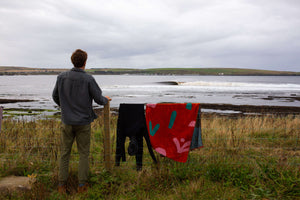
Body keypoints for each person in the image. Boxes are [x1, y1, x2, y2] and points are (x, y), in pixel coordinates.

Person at [52, 49, 111, 194]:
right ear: (85, 62)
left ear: (73, 61)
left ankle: (61, 186)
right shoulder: (88, 79)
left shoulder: (61, 77)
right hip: (83, 122)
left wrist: (65, 107)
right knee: (84, 153)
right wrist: (106, 100)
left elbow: (55, 96)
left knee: (65, 153)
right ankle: (82, 186)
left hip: (67, 121)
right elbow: (99, 99)